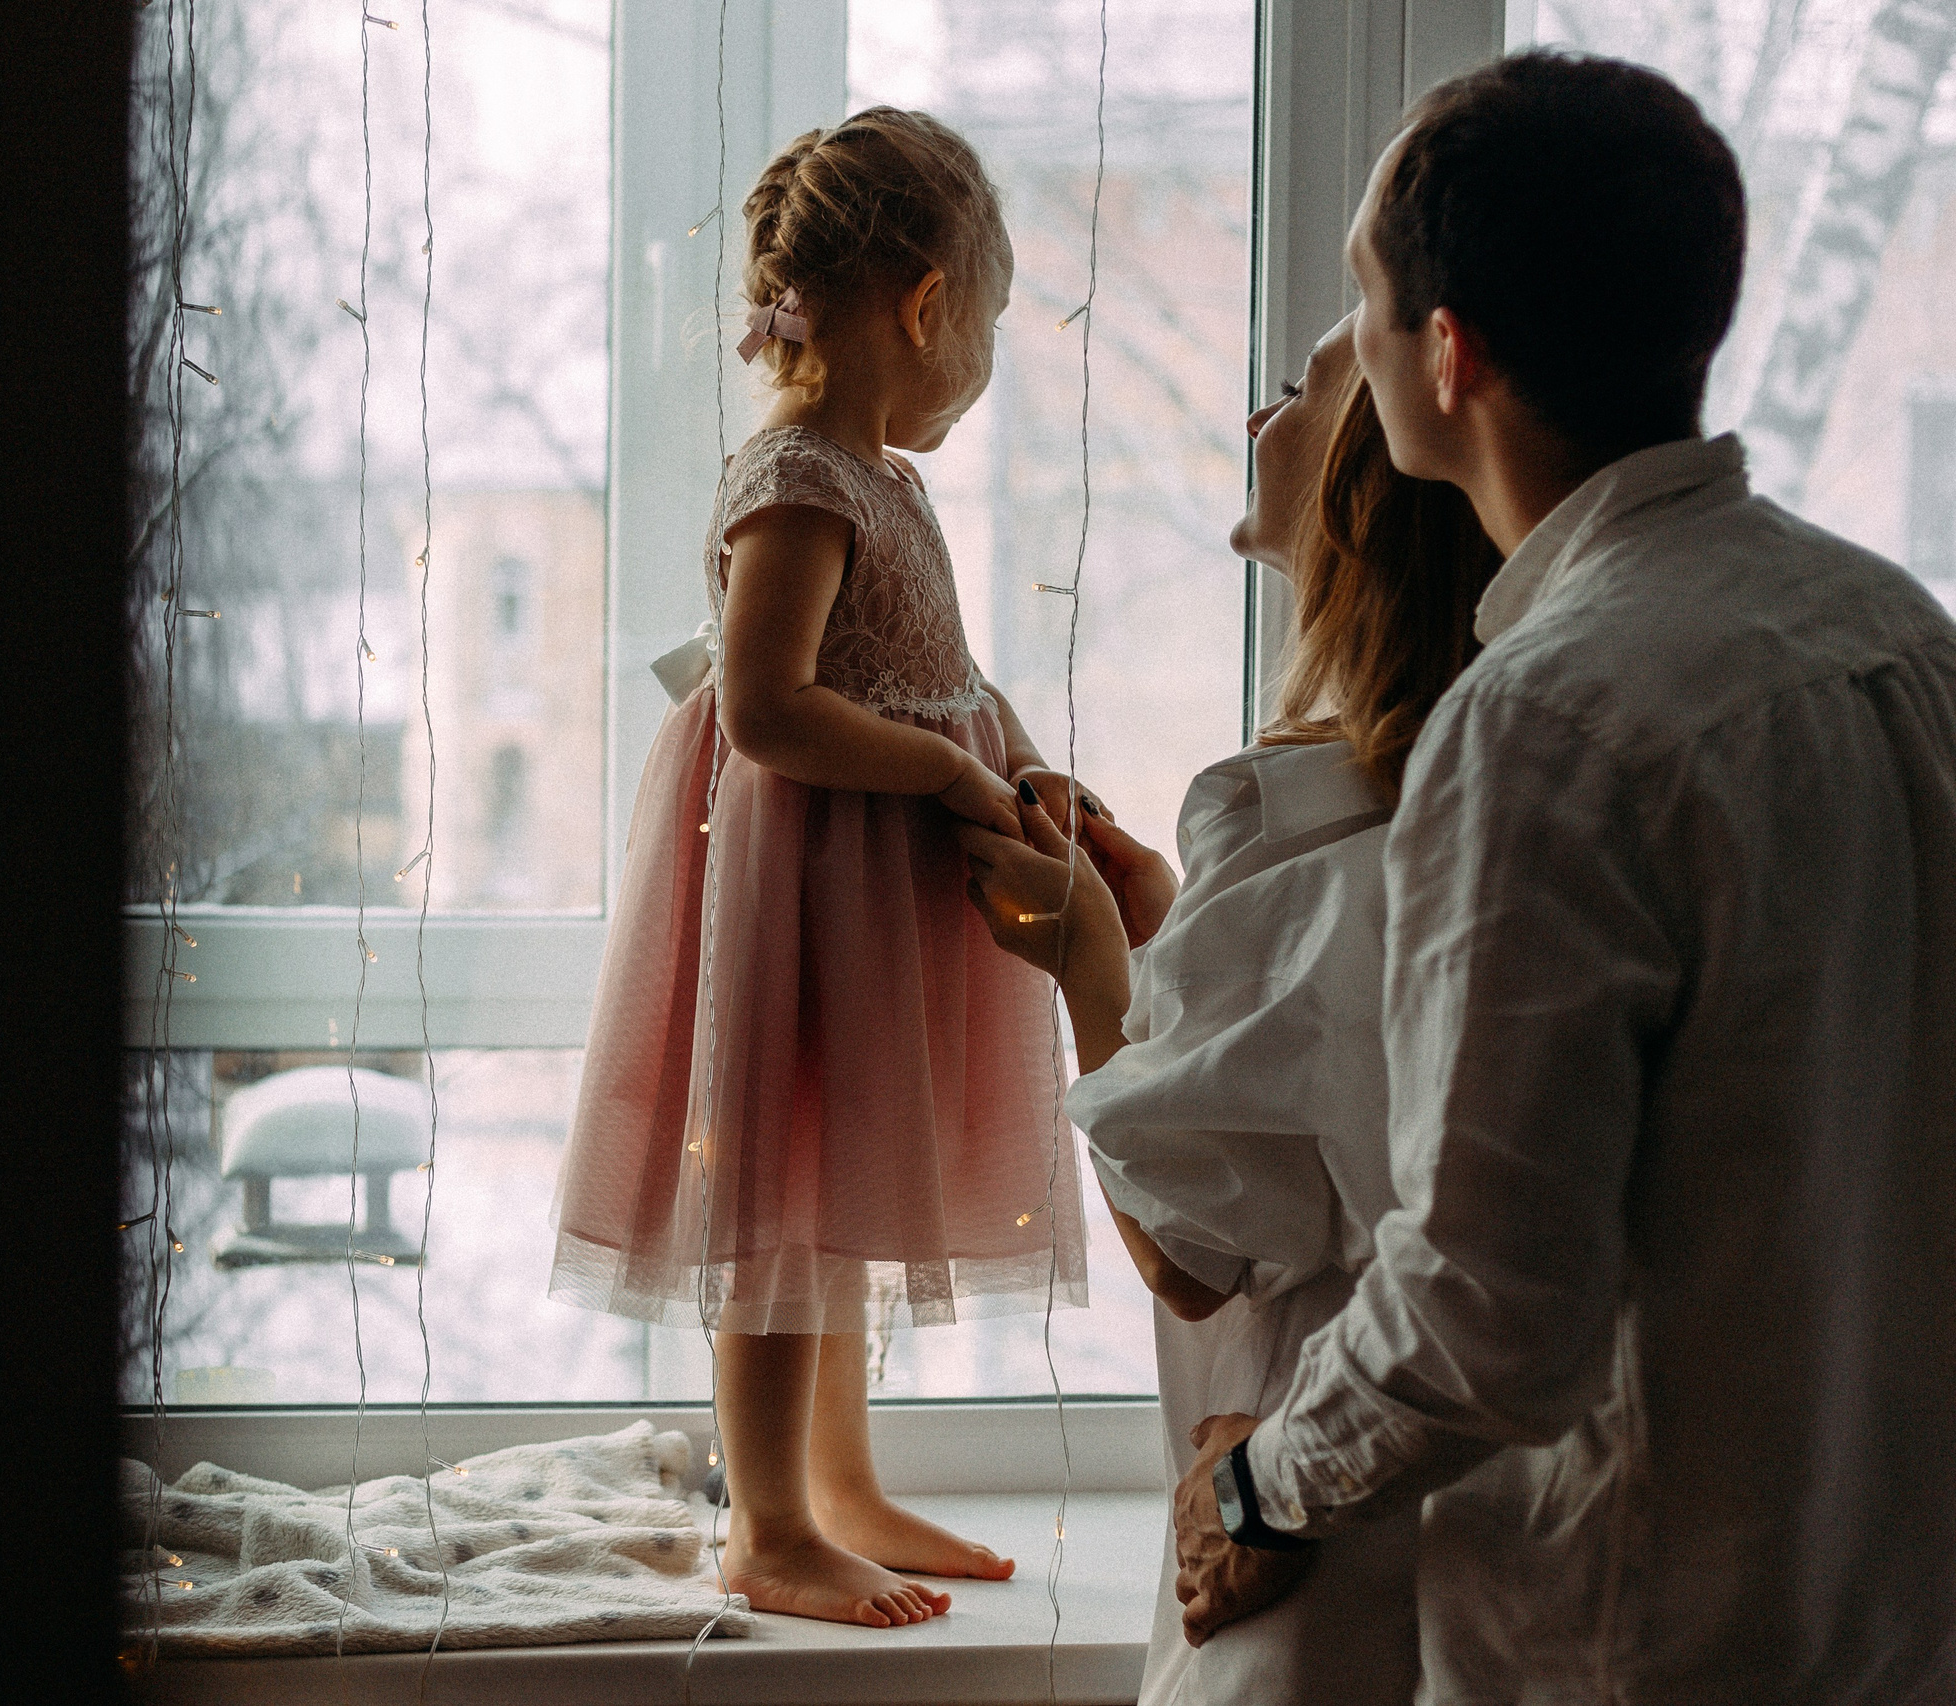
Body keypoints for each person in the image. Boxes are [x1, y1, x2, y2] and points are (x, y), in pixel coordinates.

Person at [989, 50, 1956, 1703]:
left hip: (1634, 1645)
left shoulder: (1551, 724)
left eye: (1366, 301)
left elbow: (1488, 1312)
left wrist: (1252, 1482)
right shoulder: (1901, 642)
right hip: (1893, 1624)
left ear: (1450, 355)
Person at [545, 107, 1094, 1630]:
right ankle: (771, 1520)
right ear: (926, 303)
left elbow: (933, 666)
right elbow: (770, 705)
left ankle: (842, 1483)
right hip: (800, 900)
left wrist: (1019, 756)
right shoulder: (796, 479)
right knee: (779, 1206)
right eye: (977, 324)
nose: (976, 363)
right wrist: (941, 766)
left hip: (876, 906)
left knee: (845, 1196)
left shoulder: (880, 481)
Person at [1034, 303, 1503, 1706]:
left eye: (1296, 391)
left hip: (1299, 1518)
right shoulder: (1482, 795)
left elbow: (1191, 1245)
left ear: (1363, 490)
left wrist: (1088, 967)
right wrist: (1178, 933)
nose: (1259, 422)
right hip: (1470, 1527)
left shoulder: (1286, 811)